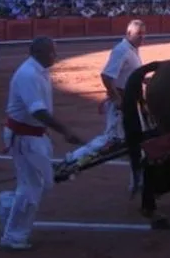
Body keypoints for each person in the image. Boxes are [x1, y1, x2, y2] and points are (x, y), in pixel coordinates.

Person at [0, 37, 84, 251]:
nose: (56, 56)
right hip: (25, 137)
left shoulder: (39, 71)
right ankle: (13, 236)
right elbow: (38, 111)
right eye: (52, 52)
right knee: (31, 186)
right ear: (40, 52)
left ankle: (5, 209)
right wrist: (65, 130)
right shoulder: (29, 74)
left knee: (38, 182)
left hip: (33, 135)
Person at [61, 20, 145, 181]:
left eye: (143, 35)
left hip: (130, 101)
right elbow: (106, 75)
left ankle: (138, 178)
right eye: (138, 35)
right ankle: (73, 158)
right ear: (128, 34)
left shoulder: (132, 49)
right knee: (111, 139)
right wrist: (116, 98)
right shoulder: (122, 50)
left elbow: (129, 75)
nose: (142, 38)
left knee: (134, 138)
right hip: (121, 103)